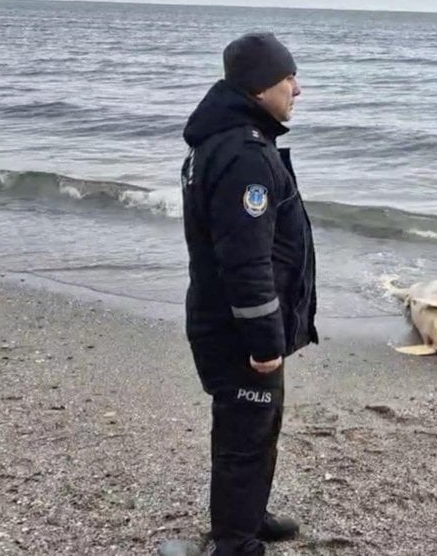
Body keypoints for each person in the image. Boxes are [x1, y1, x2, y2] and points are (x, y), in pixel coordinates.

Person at [177, 32, 318, 556]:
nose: (297, 90)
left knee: (258, 424)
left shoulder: (227, 142)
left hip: (233, 322)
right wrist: (264, 340)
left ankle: (249, 516)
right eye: (288, 80)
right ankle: (234, 542)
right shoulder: (244, 156)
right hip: (241, 330)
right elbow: (245, 260)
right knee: (245, 431)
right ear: (261, 88)